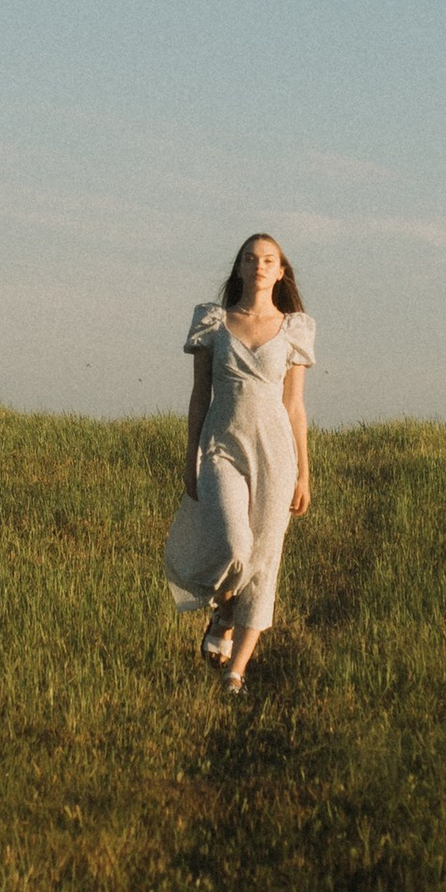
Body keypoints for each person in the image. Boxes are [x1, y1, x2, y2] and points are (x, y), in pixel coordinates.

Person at [163, 232, 314, 693]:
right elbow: (199, 395)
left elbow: (294, 406)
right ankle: (224, 610)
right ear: (240, 268)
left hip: (276, 454)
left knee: (265, 559)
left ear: (280, 272)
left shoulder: (294, 329)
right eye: (251, 258)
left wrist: (304, 474)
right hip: (221, 447)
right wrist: (189, 457)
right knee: (234, 544)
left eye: (268, 260)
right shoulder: (213, 321)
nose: (259, 265)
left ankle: (235, 673)